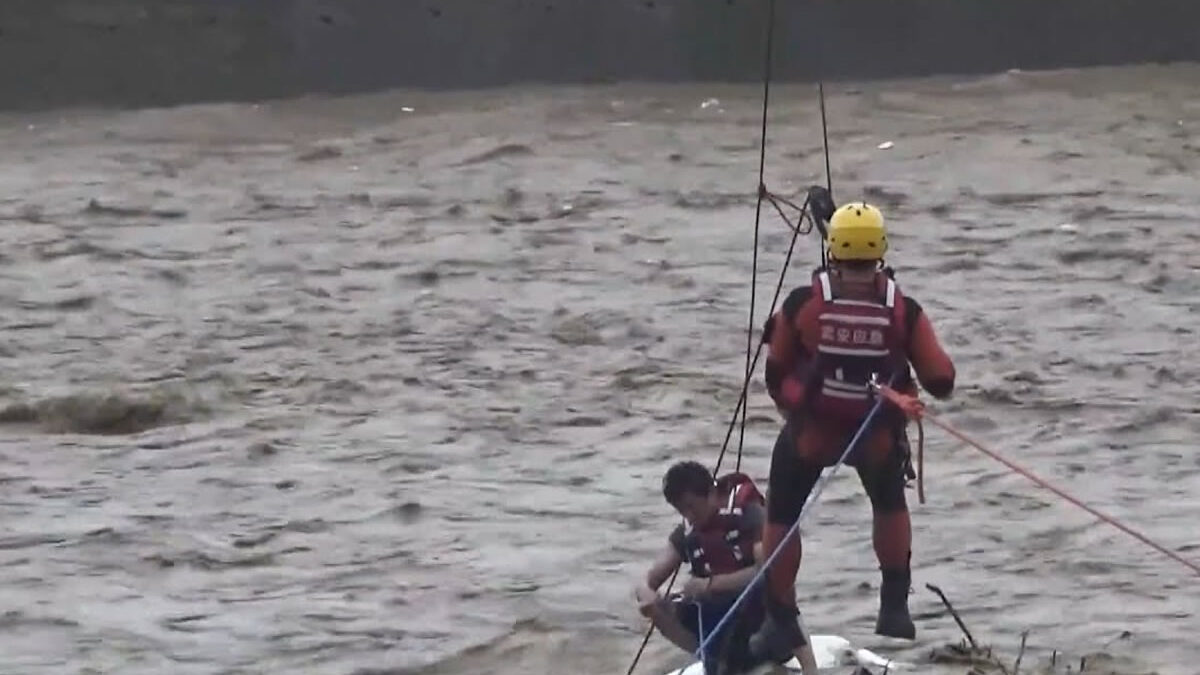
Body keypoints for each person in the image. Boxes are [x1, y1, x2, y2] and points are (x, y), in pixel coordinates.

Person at [753, 197, 957, 656]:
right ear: (881, 249)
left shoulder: (804, 304)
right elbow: (942, 379)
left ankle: (780, 618)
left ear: (832, 252)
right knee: (888, 502)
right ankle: (894, 606)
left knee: (781, 517)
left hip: (811, 436)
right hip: (876, 437)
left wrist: (798, 406)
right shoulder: (903, 309)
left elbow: (774, 373)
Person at [635, 460, 818, 674]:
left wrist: (710, 584)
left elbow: (767, 570)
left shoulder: (748, 513)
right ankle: (713, 660)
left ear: (711, 493)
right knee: (662, 608)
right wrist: (648, 597)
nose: (689, 516)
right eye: (681, 510)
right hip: (718, 623)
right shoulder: (687, 532)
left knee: (776, 585)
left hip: (762, 621)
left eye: (692, 506)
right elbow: (647, 581)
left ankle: (810, 669)